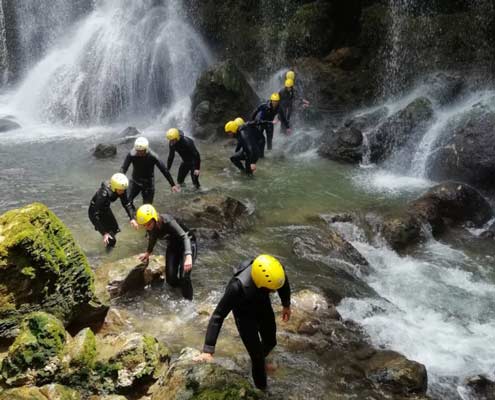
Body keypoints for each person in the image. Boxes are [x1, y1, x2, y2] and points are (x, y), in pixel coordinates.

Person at [195, 254, 291, 390]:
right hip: (243, 312)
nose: (274, 291)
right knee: (257, 357)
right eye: (272, 289)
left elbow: (282, 281)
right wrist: (208, 350)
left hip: (262, 302)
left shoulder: (273, 270)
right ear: (262, 283)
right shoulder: (236, 287)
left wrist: (286, 304)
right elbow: (218, 316)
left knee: (271, 342)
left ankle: (256, 361)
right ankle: (262, 391)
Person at [136, 204, 197, 300]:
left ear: (154, 218)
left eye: (148, 224)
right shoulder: (151, 227)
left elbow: (184, 236)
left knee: (184, 276)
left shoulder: (167, 221)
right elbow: (152, 238)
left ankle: (188, 302)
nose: (147, 227)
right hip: (173, 245)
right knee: (170, 278)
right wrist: (148, 252)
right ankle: (179, 293)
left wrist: (188, 255)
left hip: (188, 243)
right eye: (144, 225)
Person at [120, 136, 180, 205]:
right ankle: (133, 215)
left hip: (148, 184)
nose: (138, 153)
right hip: (135, 181)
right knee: (127, 202)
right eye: (137, 150)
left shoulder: (153, 156)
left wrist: (172, 185)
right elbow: (124, 168)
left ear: (146, 149)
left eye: (140, 151)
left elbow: (164, 170)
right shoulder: (131, 154)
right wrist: (117, 179)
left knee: (147, 206)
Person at [88, 173, 138, 249]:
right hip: (95, 212)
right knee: (112, 240)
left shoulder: (120, 188)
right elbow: (94, 214)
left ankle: (104, 243)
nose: (122, 192)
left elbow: (127, 204)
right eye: (120, 190)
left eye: (124, 190)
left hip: (105, 208)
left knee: (115, 229)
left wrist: (132, 218)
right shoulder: (103, 194)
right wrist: (104, 233)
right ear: (114, 187)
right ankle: (106, 254)